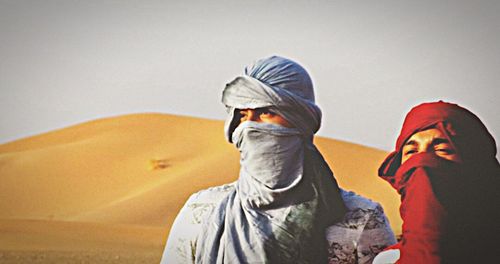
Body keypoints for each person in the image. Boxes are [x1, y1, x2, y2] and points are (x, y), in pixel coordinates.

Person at [161, 56, 396, 264]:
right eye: (242, 115)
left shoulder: (361, 218)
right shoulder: (201, 211)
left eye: (266, 112)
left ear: (300, 121)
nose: (250, 125)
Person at [374, 101, 500, 264]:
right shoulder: (387, 260)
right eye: (411, 152)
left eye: (443, 150)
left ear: (475, 165)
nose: (422, 162)